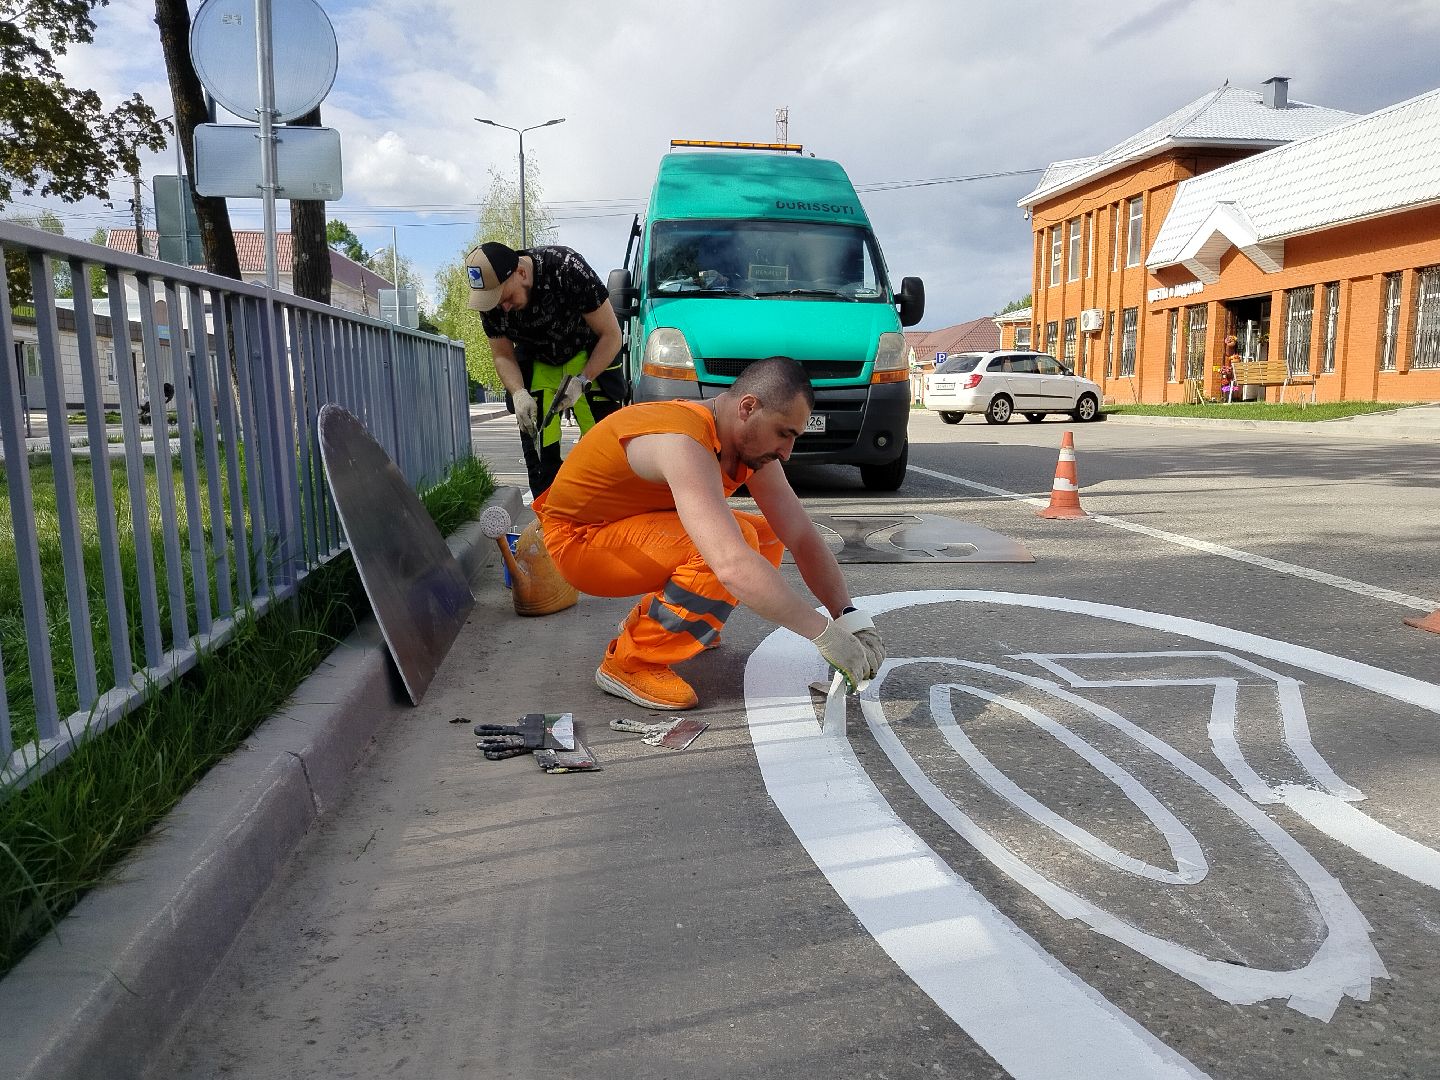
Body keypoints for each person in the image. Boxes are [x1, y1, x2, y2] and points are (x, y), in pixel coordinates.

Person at [532, 356, 884, 711]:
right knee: (734, 548)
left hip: (624, 530)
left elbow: (800, 535)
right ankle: (632, 662)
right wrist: (823, 635)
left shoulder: (747, 446)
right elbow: (730, 564)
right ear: (748, 407)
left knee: (765, 535)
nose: (786, 453)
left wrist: (848, 616)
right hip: (578, 543)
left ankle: (674, 622)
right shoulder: (682, 440)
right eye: (784, 434)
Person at [466, 241, 626, 497]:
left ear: (521, 272)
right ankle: (551, 530)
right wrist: (518, 393)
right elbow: (503, 356)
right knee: (541, 466)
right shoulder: (492, 304)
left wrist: (582, 380)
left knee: (610, 455)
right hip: (538, 361)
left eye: (506, 298)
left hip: (587, 354)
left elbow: (611, 335)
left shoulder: (566, 267)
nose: (502, 308)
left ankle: (609, 527)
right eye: (494, 303)